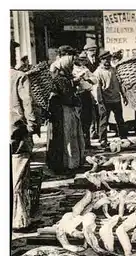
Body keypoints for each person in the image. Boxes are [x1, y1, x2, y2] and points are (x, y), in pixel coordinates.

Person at [10, 40, 40, 231]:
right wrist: (32, 125)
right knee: (18, 176)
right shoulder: (19, 77)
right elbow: (27, 103)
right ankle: (19, 220)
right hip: (15, 130)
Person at [46, 55, 86, 174]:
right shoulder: (60, 79)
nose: (72, 67)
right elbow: (66, 97)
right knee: (67, 137)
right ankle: (68, 164)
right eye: (70, 65)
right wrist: (75, 97)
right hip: (63, 112)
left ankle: (69, 163)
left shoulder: (63, 78)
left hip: (63, 111)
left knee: (68, 137)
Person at [93, 51, 130, 149]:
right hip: (105, 101)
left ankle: (123, 137)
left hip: (116, 99)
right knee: (104, 121)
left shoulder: (114, 70)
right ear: (101, 60)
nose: (107, 62)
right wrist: (99, 101)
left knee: (120, 120)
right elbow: (97, 89)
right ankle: (103, 140)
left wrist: (124, 96)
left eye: (109, 59)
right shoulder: (98, 72)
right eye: (105, 59)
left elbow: (120, 84)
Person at [73, 52, 98, 148]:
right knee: (80, 119)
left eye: (84, 59)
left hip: (87, 94)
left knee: (87, 118)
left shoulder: (85, 69)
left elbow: (95, 80)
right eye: (81, 59)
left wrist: (87, 79)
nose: (83, 61)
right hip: (78, 95)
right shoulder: (73, 69)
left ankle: (87, 142)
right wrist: (80, 78)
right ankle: (81, 143)